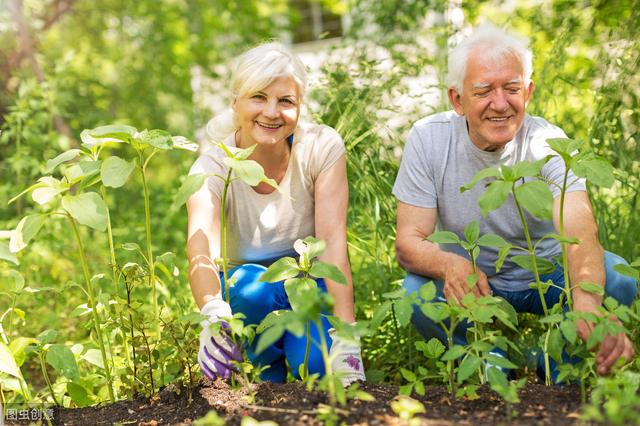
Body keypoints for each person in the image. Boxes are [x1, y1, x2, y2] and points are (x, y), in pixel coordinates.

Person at [393, 23, 637, 381]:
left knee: (616, 278)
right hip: (476, 281)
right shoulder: (428, 139)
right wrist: (450, 265)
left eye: (512, 89)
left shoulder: (549, 143)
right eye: (483, 91)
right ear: (457, 99)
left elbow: (581, 229)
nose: (500, 104)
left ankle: (558, 369)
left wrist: (586, 304)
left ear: (529, 92)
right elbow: (408, 242)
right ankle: (491, 364)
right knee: (415, 292)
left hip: (548, 278)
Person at [186, 42, 365, 385]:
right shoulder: (212, 166)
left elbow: (332, 244)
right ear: (235, 100)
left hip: (307, 285)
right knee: (256, 293)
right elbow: (202, 249)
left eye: (285, 101)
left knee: (320, 371)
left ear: (300, 107)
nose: (271, 112)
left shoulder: (321, 148)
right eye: (258, 97)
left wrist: (347, 335)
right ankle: (261, 371)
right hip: (245, 296)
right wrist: (211, 311)